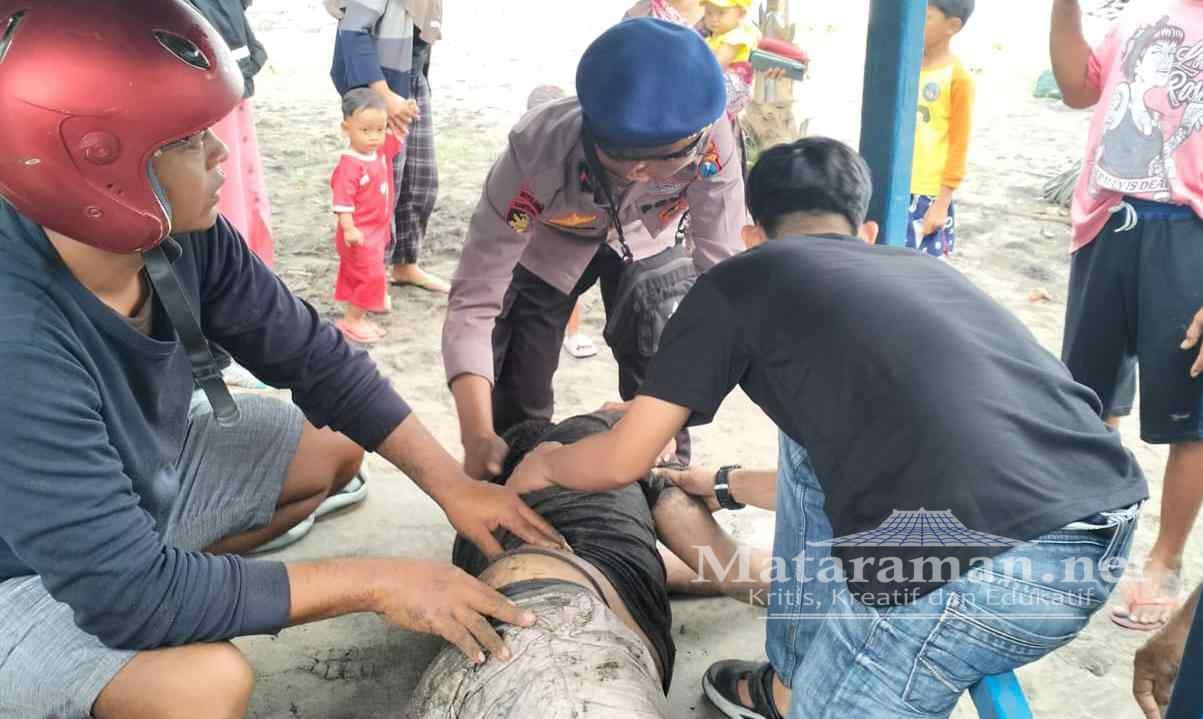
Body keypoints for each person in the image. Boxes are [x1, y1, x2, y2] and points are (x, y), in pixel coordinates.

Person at [0, 3, 566, 717]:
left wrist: (453, 485)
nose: (220, 156)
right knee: (203, 687)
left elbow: (313, 357)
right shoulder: (15, 335)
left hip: (123, 488)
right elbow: (126, 600)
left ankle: (161, 568)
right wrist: (376, 581)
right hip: (17, 571)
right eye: (186, 140)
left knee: (329, 453)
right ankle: (145, 587)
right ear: (96, 163)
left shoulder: (174, 230)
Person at [505, 137, 1148, 719]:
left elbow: (623, 459)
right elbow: (878, 453)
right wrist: (723, 485)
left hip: (973, 574)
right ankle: (787, 685)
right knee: (808, 423)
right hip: (1102, 531)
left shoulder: (738, 280)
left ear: (753, 235)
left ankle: (806, 700)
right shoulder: (925, 272)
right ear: (864, 232)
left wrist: (551, 464)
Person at [443, 18, 746, 481]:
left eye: (663, 164)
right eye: (624, 161)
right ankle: (517, 463)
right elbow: (476, 294)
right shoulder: (537, 155)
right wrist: (475, 432)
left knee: (660, 323)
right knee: (520, 373)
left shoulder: (711, 140)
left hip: (648, 241)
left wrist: (666, 411)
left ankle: (663, 472)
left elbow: (720, 278)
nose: (640, 175)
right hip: (551, 244)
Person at [407, 411, 771, 718]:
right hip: (572, 633)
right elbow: (743, 574)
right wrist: (689, 489)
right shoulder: (590, 448)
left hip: (509, 650)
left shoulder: (476, 535)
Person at [1051, 0, 1203, 631]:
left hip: (1189, 233)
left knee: (1189, 416)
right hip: (1108, 221)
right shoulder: (1141, 14)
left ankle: (1165, 559)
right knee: (1087, 397)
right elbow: (1077, 87)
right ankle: (1090, 530)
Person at [331, 0, 449, 294]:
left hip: (411, 80)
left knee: (419, 179)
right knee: (377, 188)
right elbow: (352, 30)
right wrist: (385, 96)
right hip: (378, 93)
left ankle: (405, 263)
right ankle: (370, 276)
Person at [189, 0, 275, 268]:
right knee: (226, 184)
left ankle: (240, 264)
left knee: (230, 182)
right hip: (213, 88)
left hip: (221, 87)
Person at [331, 89, 406, 343]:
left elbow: (396, 141)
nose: (374, 137)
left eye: (379, 129)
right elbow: (342, 202)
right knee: (368, 274)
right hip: (359, 233)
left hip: (377, 228)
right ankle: (352, 320)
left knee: (367, 271)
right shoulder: (350, 165)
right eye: (366, 130)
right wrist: (349, 228)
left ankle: (368, 302)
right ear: (346, 128)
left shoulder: (378, 151)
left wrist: (403, 117)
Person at [907, 0, 975, 258]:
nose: (915, 25)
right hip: (893, 181)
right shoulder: (905, 67)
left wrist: (942, 202)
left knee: (918, 270)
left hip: (927, 193)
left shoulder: (957, 79)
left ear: (953, 26)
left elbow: (959, 144)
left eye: (925, 17)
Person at [701, 0, 760, 118]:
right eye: (709, 13)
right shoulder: (716, 37)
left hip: (732, 86)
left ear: (741, 14)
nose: (714, 18)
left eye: (721, 13)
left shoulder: (737, 36)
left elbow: (717, 65)